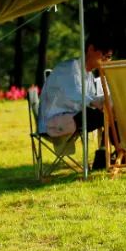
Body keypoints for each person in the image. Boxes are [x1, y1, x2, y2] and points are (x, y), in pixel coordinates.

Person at [38, 35, 113, 170]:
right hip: (54, 122)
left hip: (71, 117)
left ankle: (109, 154)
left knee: (110, 114)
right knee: (106, 116)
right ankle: (110, 154)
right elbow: (76, 93)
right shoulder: (69, 68)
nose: (106, 60)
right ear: (91, 49)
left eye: (109, 57)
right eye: (104, 55)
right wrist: (97, 103)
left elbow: (89, 97)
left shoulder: (88, 74)